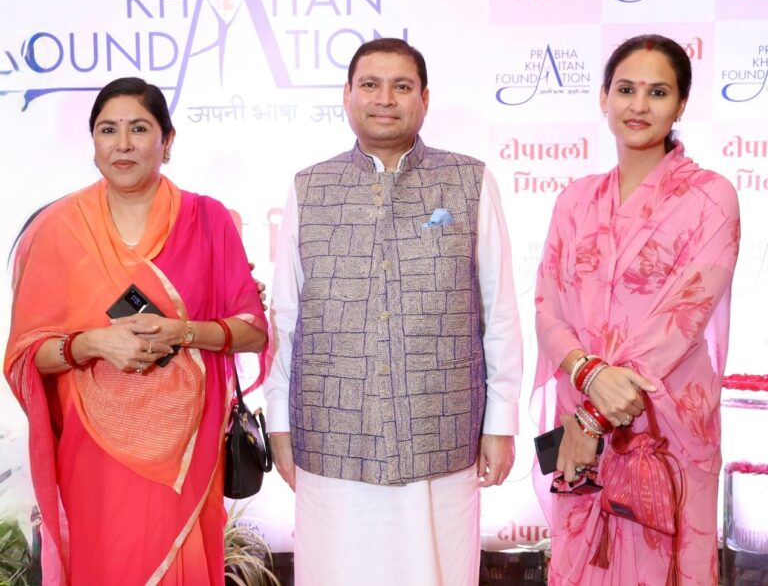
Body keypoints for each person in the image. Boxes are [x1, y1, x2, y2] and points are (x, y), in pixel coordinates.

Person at [265, 37, 523, 585]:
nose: (386, 98)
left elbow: (497, 310)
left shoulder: (469, 181)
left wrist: (500, 422)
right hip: (332, 433)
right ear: (347, 96)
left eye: (401, 86)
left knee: (437, 568)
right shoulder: (309, 187)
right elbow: (286, 320)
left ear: (424, 99)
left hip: (441, 432)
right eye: (370, 85)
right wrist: (280, 425)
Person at [3, 77, 268, 584]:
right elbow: (25, 354)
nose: (122, 144)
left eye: (139, 129)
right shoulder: (59, 229)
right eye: (108, 130)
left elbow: (251, 330)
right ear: (94, 144)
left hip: (188, 451)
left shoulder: (208, 219)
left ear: (167, 142)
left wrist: (182, 332)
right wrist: (89, 344)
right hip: (95, 454)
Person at [532, 34, 740, 584]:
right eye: (626, 89)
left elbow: (684, 317)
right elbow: (547, 308)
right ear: (604, 97)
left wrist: (593, 416)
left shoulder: (711, 197)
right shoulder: (575, 200)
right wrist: (587, 376)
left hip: (665, 426)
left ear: (681, 105)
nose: (639, 105)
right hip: (580, 432)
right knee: (580, 564)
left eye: (657, 92)